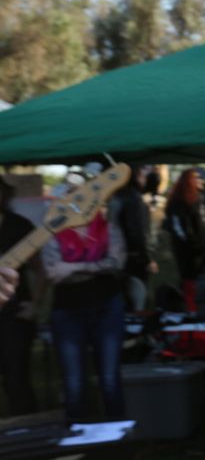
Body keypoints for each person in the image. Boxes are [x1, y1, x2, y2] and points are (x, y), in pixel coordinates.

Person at [42, 171, 127, 419]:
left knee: (110, 380)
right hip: (68, 312)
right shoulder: (53, 232)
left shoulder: (108, 228)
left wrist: (73, 267)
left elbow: (117, 263)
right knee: (74, 383)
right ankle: (78, 436)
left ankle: (115, 434)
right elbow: (53, 272)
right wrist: (96, 267)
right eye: (70, 195)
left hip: (106, 308)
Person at [0, 177, 39, 415]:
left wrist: (35, 304)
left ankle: (25, 429)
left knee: (17, 378)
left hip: (14, 314)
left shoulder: (19, 225)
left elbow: (40, 270)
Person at [111, 165, 157, 310]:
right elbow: (137, 231)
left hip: (117, 257)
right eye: (143, 174)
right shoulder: (134, 198)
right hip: (133, 258)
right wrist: (147, 258)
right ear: (137, 176)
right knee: (137, 299)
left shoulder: (116, 196)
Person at [164, 169, 205, 306]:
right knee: (189, 277)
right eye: (196, 178)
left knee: (200, 276)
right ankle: (191, 306)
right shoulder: (178, 201)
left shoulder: (197, 197)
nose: (199, 180)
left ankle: (201, 304)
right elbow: (179, 226)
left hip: (199, 245)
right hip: (186, 247)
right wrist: (192, 243)